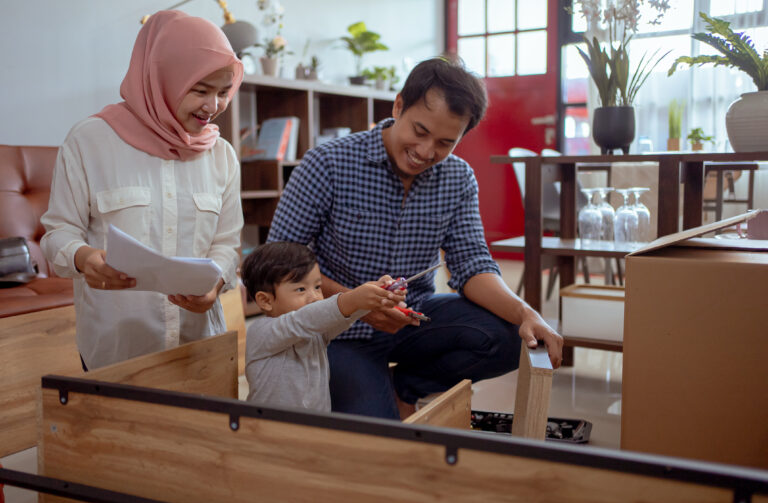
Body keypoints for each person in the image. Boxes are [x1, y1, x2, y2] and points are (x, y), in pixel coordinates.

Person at [267, 56, 564, 420]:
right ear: (398, 106)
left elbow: (472, 264)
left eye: (444, 142)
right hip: (339, 329)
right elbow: (278, 261)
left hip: (414, 318)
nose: (425, 152)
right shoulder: (328, 163)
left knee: (511, 336)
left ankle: (407, 386)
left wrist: (528, 313)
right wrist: (355, 304)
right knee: (382, 436)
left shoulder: (458, 178)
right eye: (419, 132)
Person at [40, 10, 244, 370]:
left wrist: (216, 285)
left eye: (224, 92)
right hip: (117, 351)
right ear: (163, 78)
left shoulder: (222, 156)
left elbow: (226, 244)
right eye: (200, 90)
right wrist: (84, 258)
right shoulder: (89, 141)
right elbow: (59, 232)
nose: (213, 107)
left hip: (200, 348)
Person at [241, 242, 405, 412]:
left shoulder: (316, 331)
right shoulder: (261, 332)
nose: (314, 297)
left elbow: (343, 315)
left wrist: (377, 294)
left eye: (317, 287)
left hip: (313, 424)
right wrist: (355, 298)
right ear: (266, 300)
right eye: (301, 289)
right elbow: (304, 320)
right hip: (267, 426)